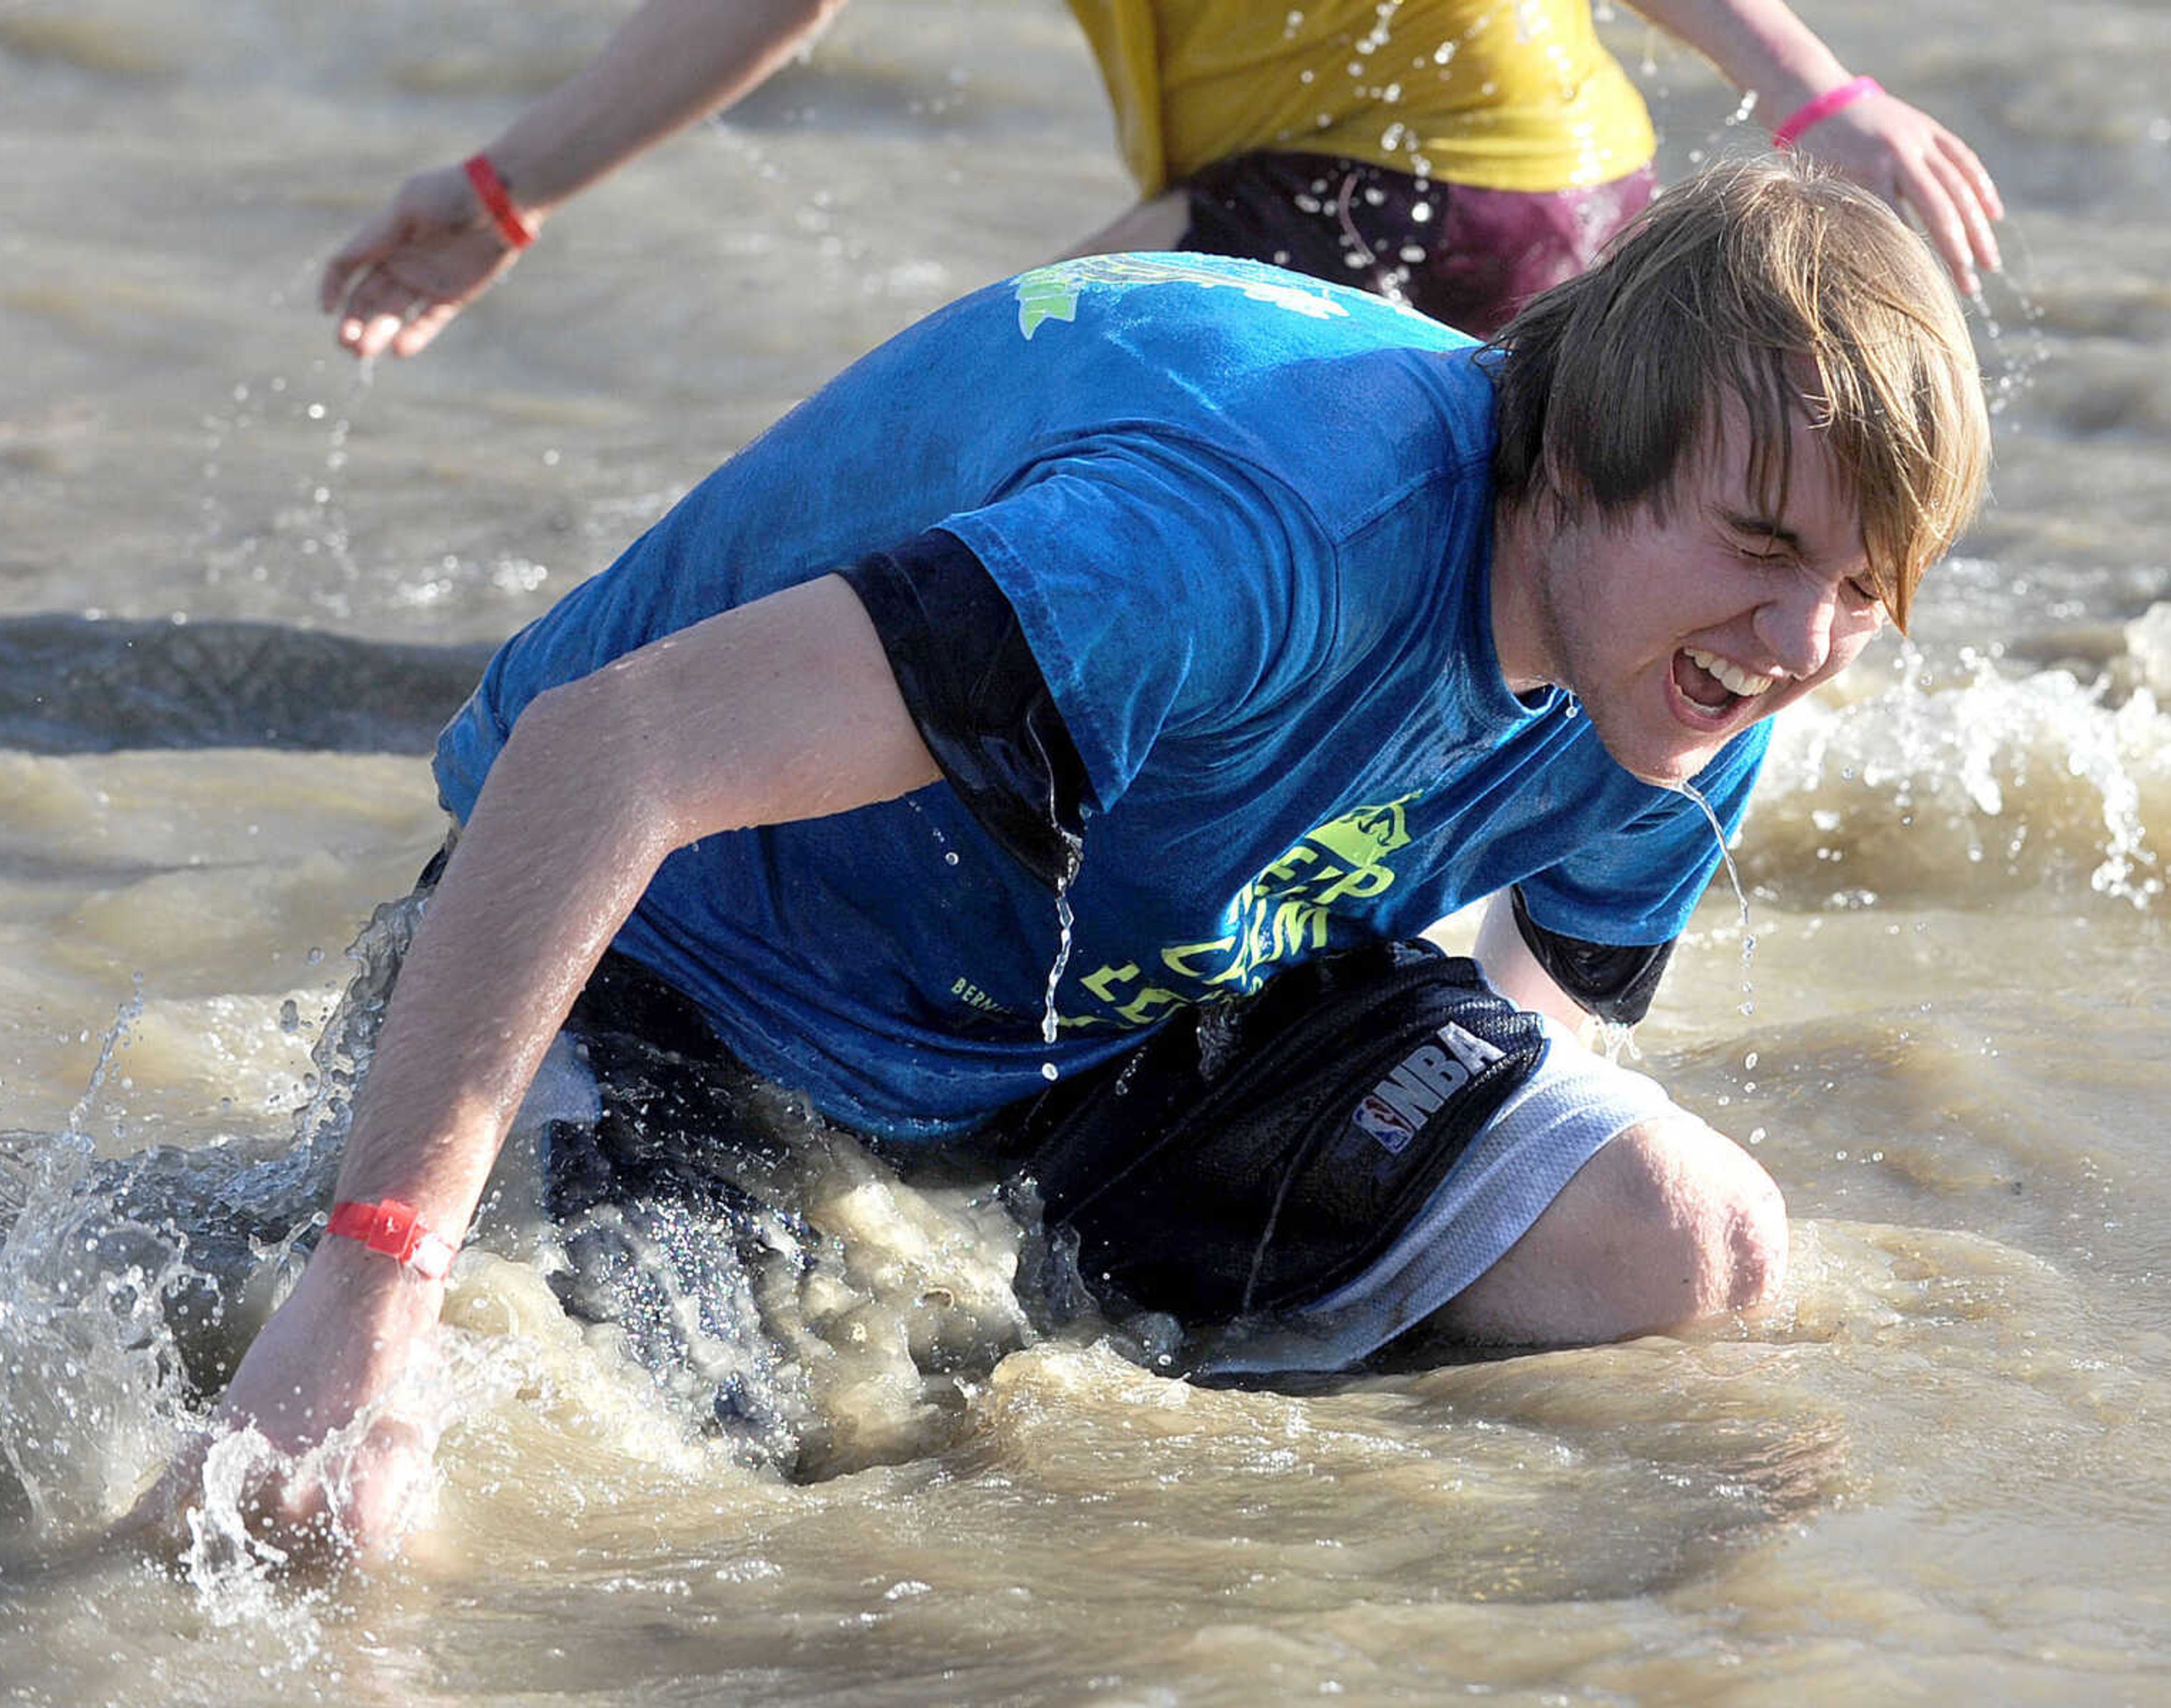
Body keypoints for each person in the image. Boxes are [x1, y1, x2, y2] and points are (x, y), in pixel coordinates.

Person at [149, 157, 1988, 1560]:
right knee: (581, 1485)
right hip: (695, 966)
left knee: (1695, 1242)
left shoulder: (1692, 705)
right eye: (1761, 542)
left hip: (1117, 1007)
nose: (1802, 641)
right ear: (1589, 447)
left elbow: (1519, 1036)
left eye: (1858, 586)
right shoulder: (1246, 541)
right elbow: (597, 757)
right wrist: (371, 1281)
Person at [317, 0, 2005, 358]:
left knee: (961, 437)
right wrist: (504, 185)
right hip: (1563, 203)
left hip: (1400, 190)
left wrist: (1816, 92)